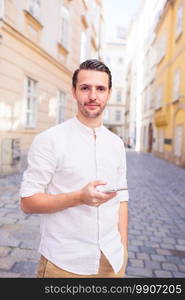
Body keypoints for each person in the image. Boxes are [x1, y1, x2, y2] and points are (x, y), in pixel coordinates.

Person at [20, 59, 129, 278]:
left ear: (108, 93)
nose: (93, 96)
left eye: (100, 89)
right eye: (85, 88)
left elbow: (122, 200)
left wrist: (123, 249)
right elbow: (27, 202)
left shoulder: (116, 144)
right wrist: (79, 197)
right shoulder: (50, 140)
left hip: (112, 261)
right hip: (64, 264)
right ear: (74, 92)